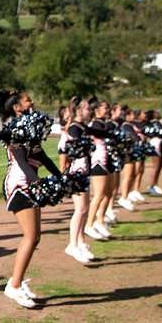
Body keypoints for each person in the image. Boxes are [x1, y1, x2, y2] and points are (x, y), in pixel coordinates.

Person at [0, 90, 62, 309]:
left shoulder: (30, 126)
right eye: (28, 99)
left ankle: (16, 282)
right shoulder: (15, 128)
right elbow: (19, 157)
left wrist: (59, 176)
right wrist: (34, 181)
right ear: (17, 107)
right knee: (30, 236)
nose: (33, 101)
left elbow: (40, 155)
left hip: (30, 180)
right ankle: (14, 285)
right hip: (20, 183)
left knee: (35, 236)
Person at [58, 96, 102, 263]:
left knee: (84, 208)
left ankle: (80, 243)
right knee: (81, 209)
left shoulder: (82, 127)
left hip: (84, 170)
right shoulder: (75, 128)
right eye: (85, 108)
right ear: (77, 111)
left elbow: (99, 133)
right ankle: (72, 244)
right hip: (77, 171)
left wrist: (113, 133)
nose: (88, 110)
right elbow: (71, 151)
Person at [84, 99, 113, 241]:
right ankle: (89, 224)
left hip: (106, 161)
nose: (107, 110)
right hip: (98, 162)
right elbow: (103, 134)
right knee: (99, 194)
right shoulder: (96, 123)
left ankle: (99, 221)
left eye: (108, 108)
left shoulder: (102, 123)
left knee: (107, 193)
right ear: (97, 110)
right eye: (105, 108)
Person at [144, 110, 162, 196]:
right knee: (156, 166)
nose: (159, 113)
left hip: (160, 145)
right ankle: (152, 185)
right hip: (156, 146)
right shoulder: (154, 124)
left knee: (159, 166)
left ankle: (155, 184)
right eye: (156, 112)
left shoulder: (157, 123)